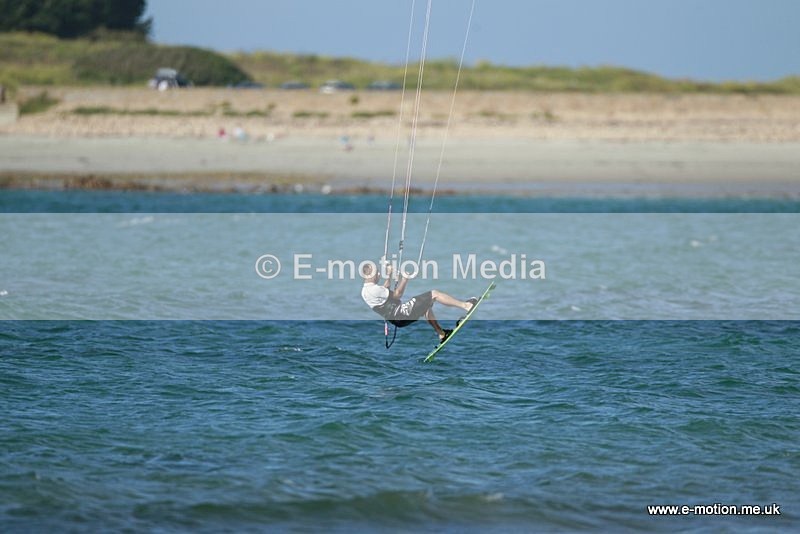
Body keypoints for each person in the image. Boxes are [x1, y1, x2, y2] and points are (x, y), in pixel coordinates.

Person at [361, 262, 477, 344]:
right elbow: (397, 295)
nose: (379, 275)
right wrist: (405, 279)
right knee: (434, 294)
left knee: (425, 307)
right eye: (377, 273)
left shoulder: (366, 291)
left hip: (398, 320)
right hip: (402, 314)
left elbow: (384, 290)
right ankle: (466, 306)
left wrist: (390, 274)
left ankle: (441, 333)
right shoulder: (374, 289)